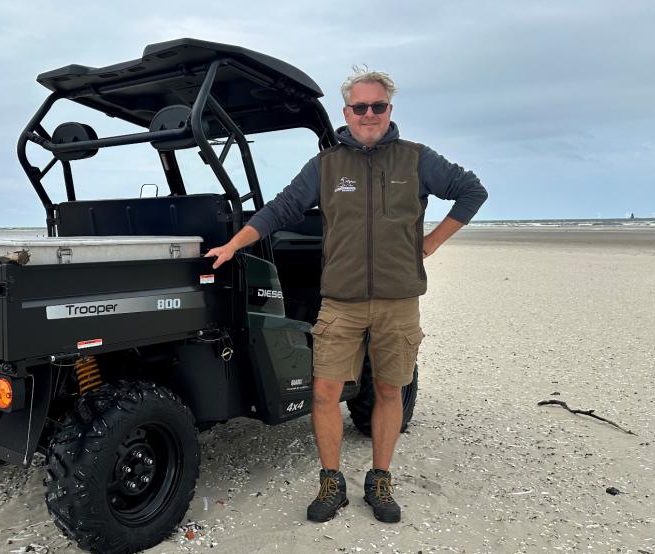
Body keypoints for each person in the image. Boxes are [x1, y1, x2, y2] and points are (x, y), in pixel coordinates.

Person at [205, 69, 487, 523]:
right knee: (324, 392)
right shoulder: (327, 165)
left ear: (389, 110)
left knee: (389, 389)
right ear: (347, 113)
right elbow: (282, 208)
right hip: (340, 302)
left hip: (398, 302)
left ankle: (380, 478)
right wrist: (236, 243)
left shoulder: (416, 160)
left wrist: (431, 242)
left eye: (378, 106)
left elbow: (472, 191)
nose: (369, 114)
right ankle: (331, 481)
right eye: (360, 107)